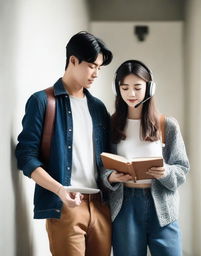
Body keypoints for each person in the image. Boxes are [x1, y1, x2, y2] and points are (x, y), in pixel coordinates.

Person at [15, 31, 113, 256]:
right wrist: (60, 190)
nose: (96, 73)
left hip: (100, 206)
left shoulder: (98, 108)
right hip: (65, 206)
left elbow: (107, 157)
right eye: (92, 66)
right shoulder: (42, 101)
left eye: (100, 68)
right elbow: (26, 156)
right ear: (73, 60)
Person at [102, 60, 190, 256]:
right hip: (125, 206)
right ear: (117, 90)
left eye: (137, 87)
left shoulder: (167, 125)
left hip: (163, 206)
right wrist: (111, 177)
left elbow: (182, 169)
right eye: (124, 88)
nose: (131, 94)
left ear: (150, 88)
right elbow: (100, 165)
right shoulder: (112, 124)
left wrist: (166, 171)